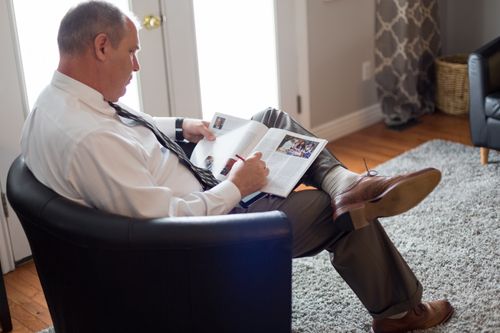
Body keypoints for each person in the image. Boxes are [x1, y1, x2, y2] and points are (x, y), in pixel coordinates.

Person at [20, 2, 454, 332]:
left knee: (271, 118)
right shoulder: (90, 140)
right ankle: (398, 310)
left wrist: (182, 127)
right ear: (100, 46)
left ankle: (347, 182)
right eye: (131, 52)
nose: (136, 66)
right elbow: (165, 223)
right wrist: (236, 184)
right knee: (333, 213)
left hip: (196, 181)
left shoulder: (56, 103)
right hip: (209, 237)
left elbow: (128, 127)